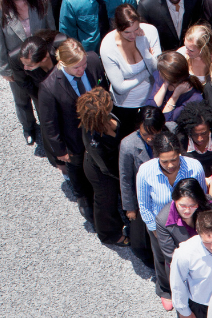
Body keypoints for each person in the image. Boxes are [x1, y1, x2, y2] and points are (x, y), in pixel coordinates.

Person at [136, 128, 206, 309]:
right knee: (163, 258)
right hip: (161, 225)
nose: (170, 165)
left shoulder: (194, 167)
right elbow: (144, 205)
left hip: (190, 221)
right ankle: (166, 289)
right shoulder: (145, 172)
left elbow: (202, 196)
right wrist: (155, 230)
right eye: (164, 161)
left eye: (174, 159)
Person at [38, 38, 107, 219]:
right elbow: (49, 124)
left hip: (99, 129)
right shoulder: (49, 87)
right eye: (76, 67)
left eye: (83, 64)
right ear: (62, 63)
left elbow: (103, 87)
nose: (82, 69)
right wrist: (60, 150)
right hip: (74, 138)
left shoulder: (92, 60)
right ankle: (83, 197)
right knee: (76, 168)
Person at [76, 85, 128, 243]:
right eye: (108, 101)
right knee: (105, 201)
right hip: (101, 172)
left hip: (111, 164)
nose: (111, 100)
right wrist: (123, 176)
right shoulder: (94, 138)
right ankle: (109, 234)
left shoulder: (108, 117)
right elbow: (105, 166)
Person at [100, 5, 161, 136]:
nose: (133, 35)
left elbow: (156, 68)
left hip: (151, 99)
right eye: (127, 32)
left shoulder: (149, 32)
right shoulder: (108, 45)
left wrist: (143, 46)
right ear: (117, 28)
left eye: (136, 29)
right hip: (125, 106)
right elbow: (120, 87)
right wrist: (146, 71)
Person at [0, 0, 54, 144]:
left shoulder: (42, 2)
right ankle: (28, 127)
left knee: (43, 96)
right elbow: (0, 43)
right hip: (17, 67)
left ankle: (47, 126)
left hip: (39, 62)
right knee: (21, 99)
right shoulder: (2, 10)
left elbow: (51, 30)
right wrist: (5, 68)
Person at [119, 104, 165, 265]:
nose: (150, 139)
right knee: (141, 237)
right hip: (143, 197)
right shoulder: (128, 145)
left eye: (154, 133)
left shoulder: (169, 133)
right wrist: (130, 207)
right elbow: (125, 178)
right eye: (145, 134)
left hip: (164, 194)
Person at [154, 175, 212, 277]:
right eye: (182, 206)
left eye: (192, 206)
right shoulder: (162, 220)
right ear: (175, 200)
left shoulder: (209, 203)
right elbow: (170, 255)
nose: (187, 210)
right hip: (185, 268)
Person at [148, 49, 204, 121]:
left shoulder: (194, 97)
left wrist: (174, 97)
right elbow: (150, 109)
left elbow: (167, 122)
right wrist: (165, 84)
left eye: (161, 72)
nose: (158, 73)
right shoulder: (160, 79)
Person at [174, 99, 212, 176]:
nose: (200, 139)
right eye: (195, 134)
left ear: (210, 128)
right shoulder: (180, 141)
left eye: (204, 133)